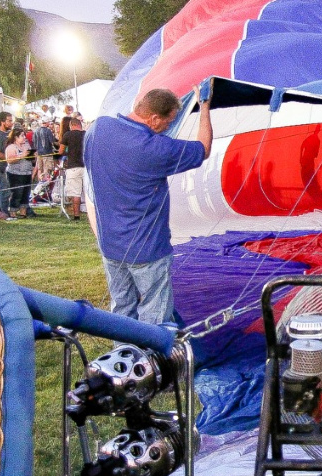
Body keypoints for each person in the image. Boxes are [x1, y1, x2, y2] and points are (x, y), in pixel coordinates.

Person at [85, 85, 213, 324]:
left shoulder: (97, 129)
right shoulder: (155, 149)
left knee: (122, 310)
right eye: (169, 122)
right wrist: (204, 106)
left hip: (111, 246)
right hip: (148, 250)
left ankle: (123, 355)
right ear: (154, 119)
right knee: (155, 317)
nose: (168, 128)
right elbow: (203, 149)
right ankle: (149, 360)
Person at [4, 124, 35, 219]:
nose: (24, 137)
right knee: (17, 193)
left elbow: (32, 159)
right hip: (15, 174)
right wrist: (21, 156)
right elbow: (9, 160)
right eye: (22, 135)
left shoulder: (26, 145)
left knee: (26, 193)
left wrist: (32, 155)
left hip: (27, 173)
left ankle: (23, 212)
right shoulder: (11, 147)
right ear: (15, 137)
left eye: (24, 135)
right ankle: (13, 212)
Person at [59, 117, 86, 220]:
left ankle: (76, 215)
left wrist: (67, 153)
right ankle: (91, 213)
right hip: (85, 166)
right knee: (87, 192)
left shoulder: (67, 135)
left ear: (71, 125)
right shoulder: (86, 134)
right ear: (80, 125)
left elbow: (60, 152)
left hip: (73, 167)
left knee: (75, 192)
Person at [0, 112, 14, 220]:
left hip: (11, 168)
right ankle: (3, 214)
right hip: (1, 169)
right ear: (2, 122)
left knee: (11, 192)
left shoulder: (10, 134)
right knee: (4, 193)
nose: (11, 123)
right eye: (9, 120)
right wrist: (8, 157)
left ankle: (9, 212)